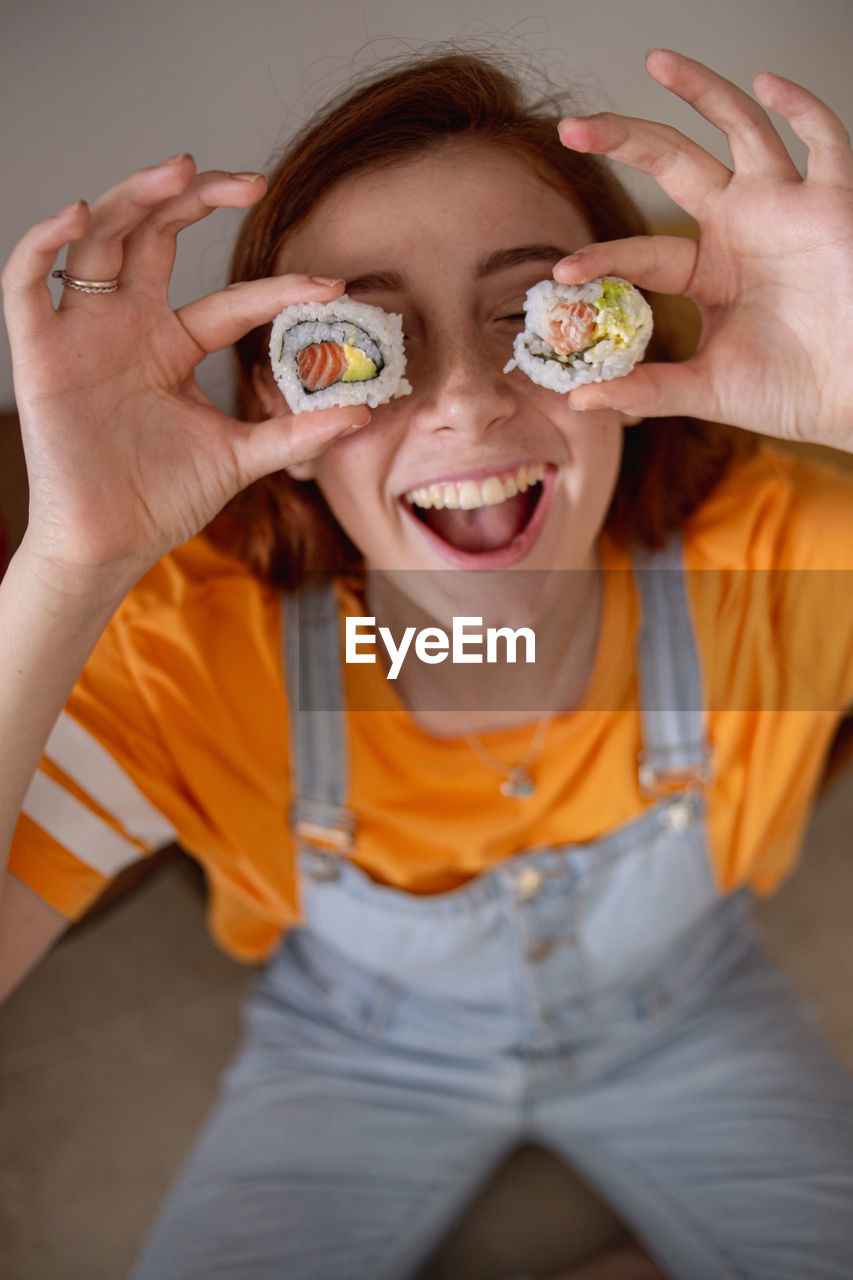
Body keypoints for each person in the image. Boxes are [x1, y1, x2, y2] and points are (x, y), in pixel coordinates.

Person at [1, 43, 852, 1280]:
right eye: (363, 343)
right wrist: (69, 560)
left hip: (691, 1009)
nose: (462, 400)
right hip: (353, 1048)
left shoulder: (772, 563)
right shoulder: (192, 653)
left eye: (531, 317)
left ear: (622, 354)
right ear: (285, 423)